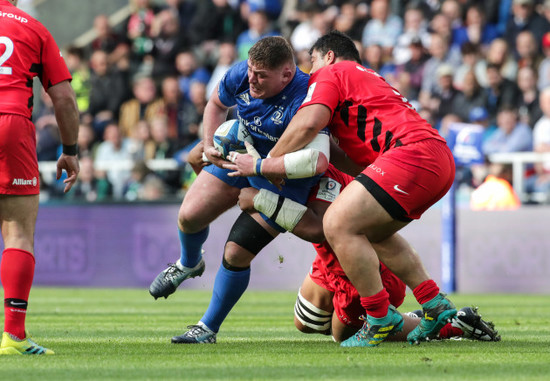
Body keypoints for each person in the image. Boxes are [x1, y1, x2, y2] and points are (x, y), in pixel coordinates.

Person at [233, 30, 457, 348]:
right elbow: (353, 164)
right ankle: (434, 304)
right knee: (374, 234)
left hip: (411, 155)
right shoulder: (363, 84)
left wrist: (265, 165)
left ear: (329, 55)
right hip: (433, 158)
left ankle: (380, 318)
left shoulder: (334, 72)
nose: (308, 73)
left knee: (337, 223)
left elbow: (308, 122)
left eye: (311, 62)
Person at [148, 36, 329, 344]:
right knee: (189, 216)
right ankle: (189, 263)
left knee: (235, 252)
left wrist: (260, 170)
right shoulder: (242, 73)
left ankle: (207, 328)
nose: (252, 80)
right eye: (250, 71)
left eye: (261, 76)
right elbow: (217, 104)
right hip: (239, 154)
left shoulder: (307, 98)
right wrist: (208, 145)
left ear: (286, 74)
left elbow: (318, 160)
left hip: (281, 180)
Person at [233, 163, 500, 343]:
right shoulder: (317, 157)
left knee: (342, 335)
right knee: (304, 322)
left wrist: (260, 199)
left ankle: (454, 325)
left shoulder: (317, 167)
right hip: (330, 261)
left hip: (359, 270)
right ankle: (415, 316)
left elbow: (316, 229)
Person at [0, 0, 80, 355]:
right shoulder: (32, 27)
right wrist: (70, 149)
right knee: (17, 232)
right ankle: (14, 336)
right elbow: (62, 97)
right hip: (11, 123)